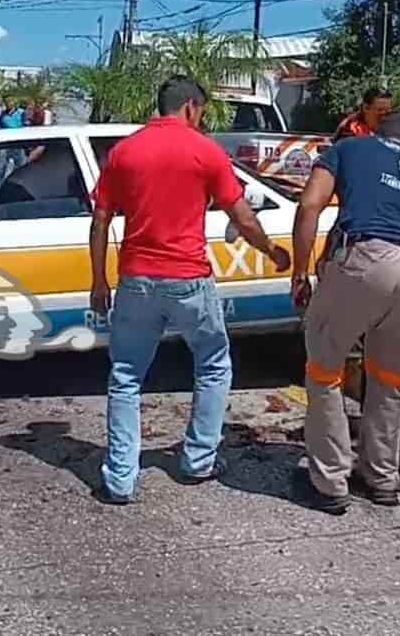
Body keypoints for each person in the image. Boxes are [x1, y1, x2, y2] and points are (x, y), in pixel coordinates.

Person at [88, 75, 291, 505]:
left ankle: (121, 478)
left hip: (136, 279)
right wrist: (271, 251)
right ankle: (198, 460)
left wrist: (99, 280)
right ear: (192, 107)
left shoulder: (124, 151)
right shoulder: (205, 151)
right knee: (214, 364)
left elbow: (101, 217)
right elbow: (244, 216)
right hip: (188, 279)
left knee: (125, 375)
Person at [291, 112, 400, 514]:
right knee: (390, 376)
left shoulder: (349, 148)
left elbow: (310, 204)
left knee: (325, 366)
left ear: (376, 135)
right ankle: (382, 476)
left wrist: (300, 270)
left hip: (366, 257)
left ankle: (330, 482)